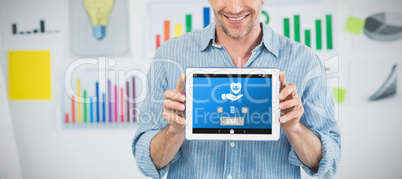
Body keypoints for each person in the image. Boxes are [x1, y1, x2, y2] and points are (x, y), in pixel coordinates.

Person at [132, 0, 341, 178]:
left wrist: (294, 129)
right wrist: (174, 132)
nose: (234, 7)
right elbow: (146, 163)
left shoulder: (304, 61)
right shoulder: (169, 55)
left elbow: (328, 164)